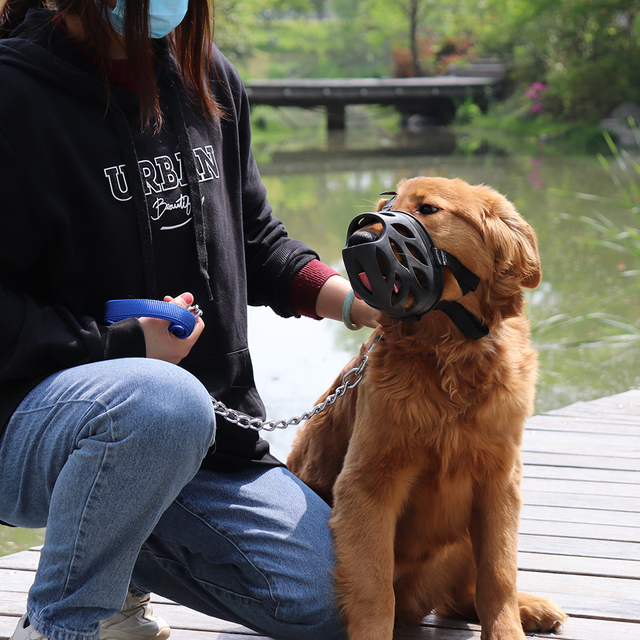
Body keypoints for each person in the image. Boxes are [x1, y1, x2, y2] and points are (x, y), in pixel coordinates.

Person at [0, 2, 379, 640]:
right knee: (161, 402)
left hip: (203, 443)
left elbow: (255, 240)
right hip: (40, 428)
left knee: (342, 604)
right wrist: (120, 345)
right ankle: (62, 625)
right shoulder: (13, 99)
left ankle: (117, 564)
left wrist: (354, 302)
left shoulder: (207, 79)